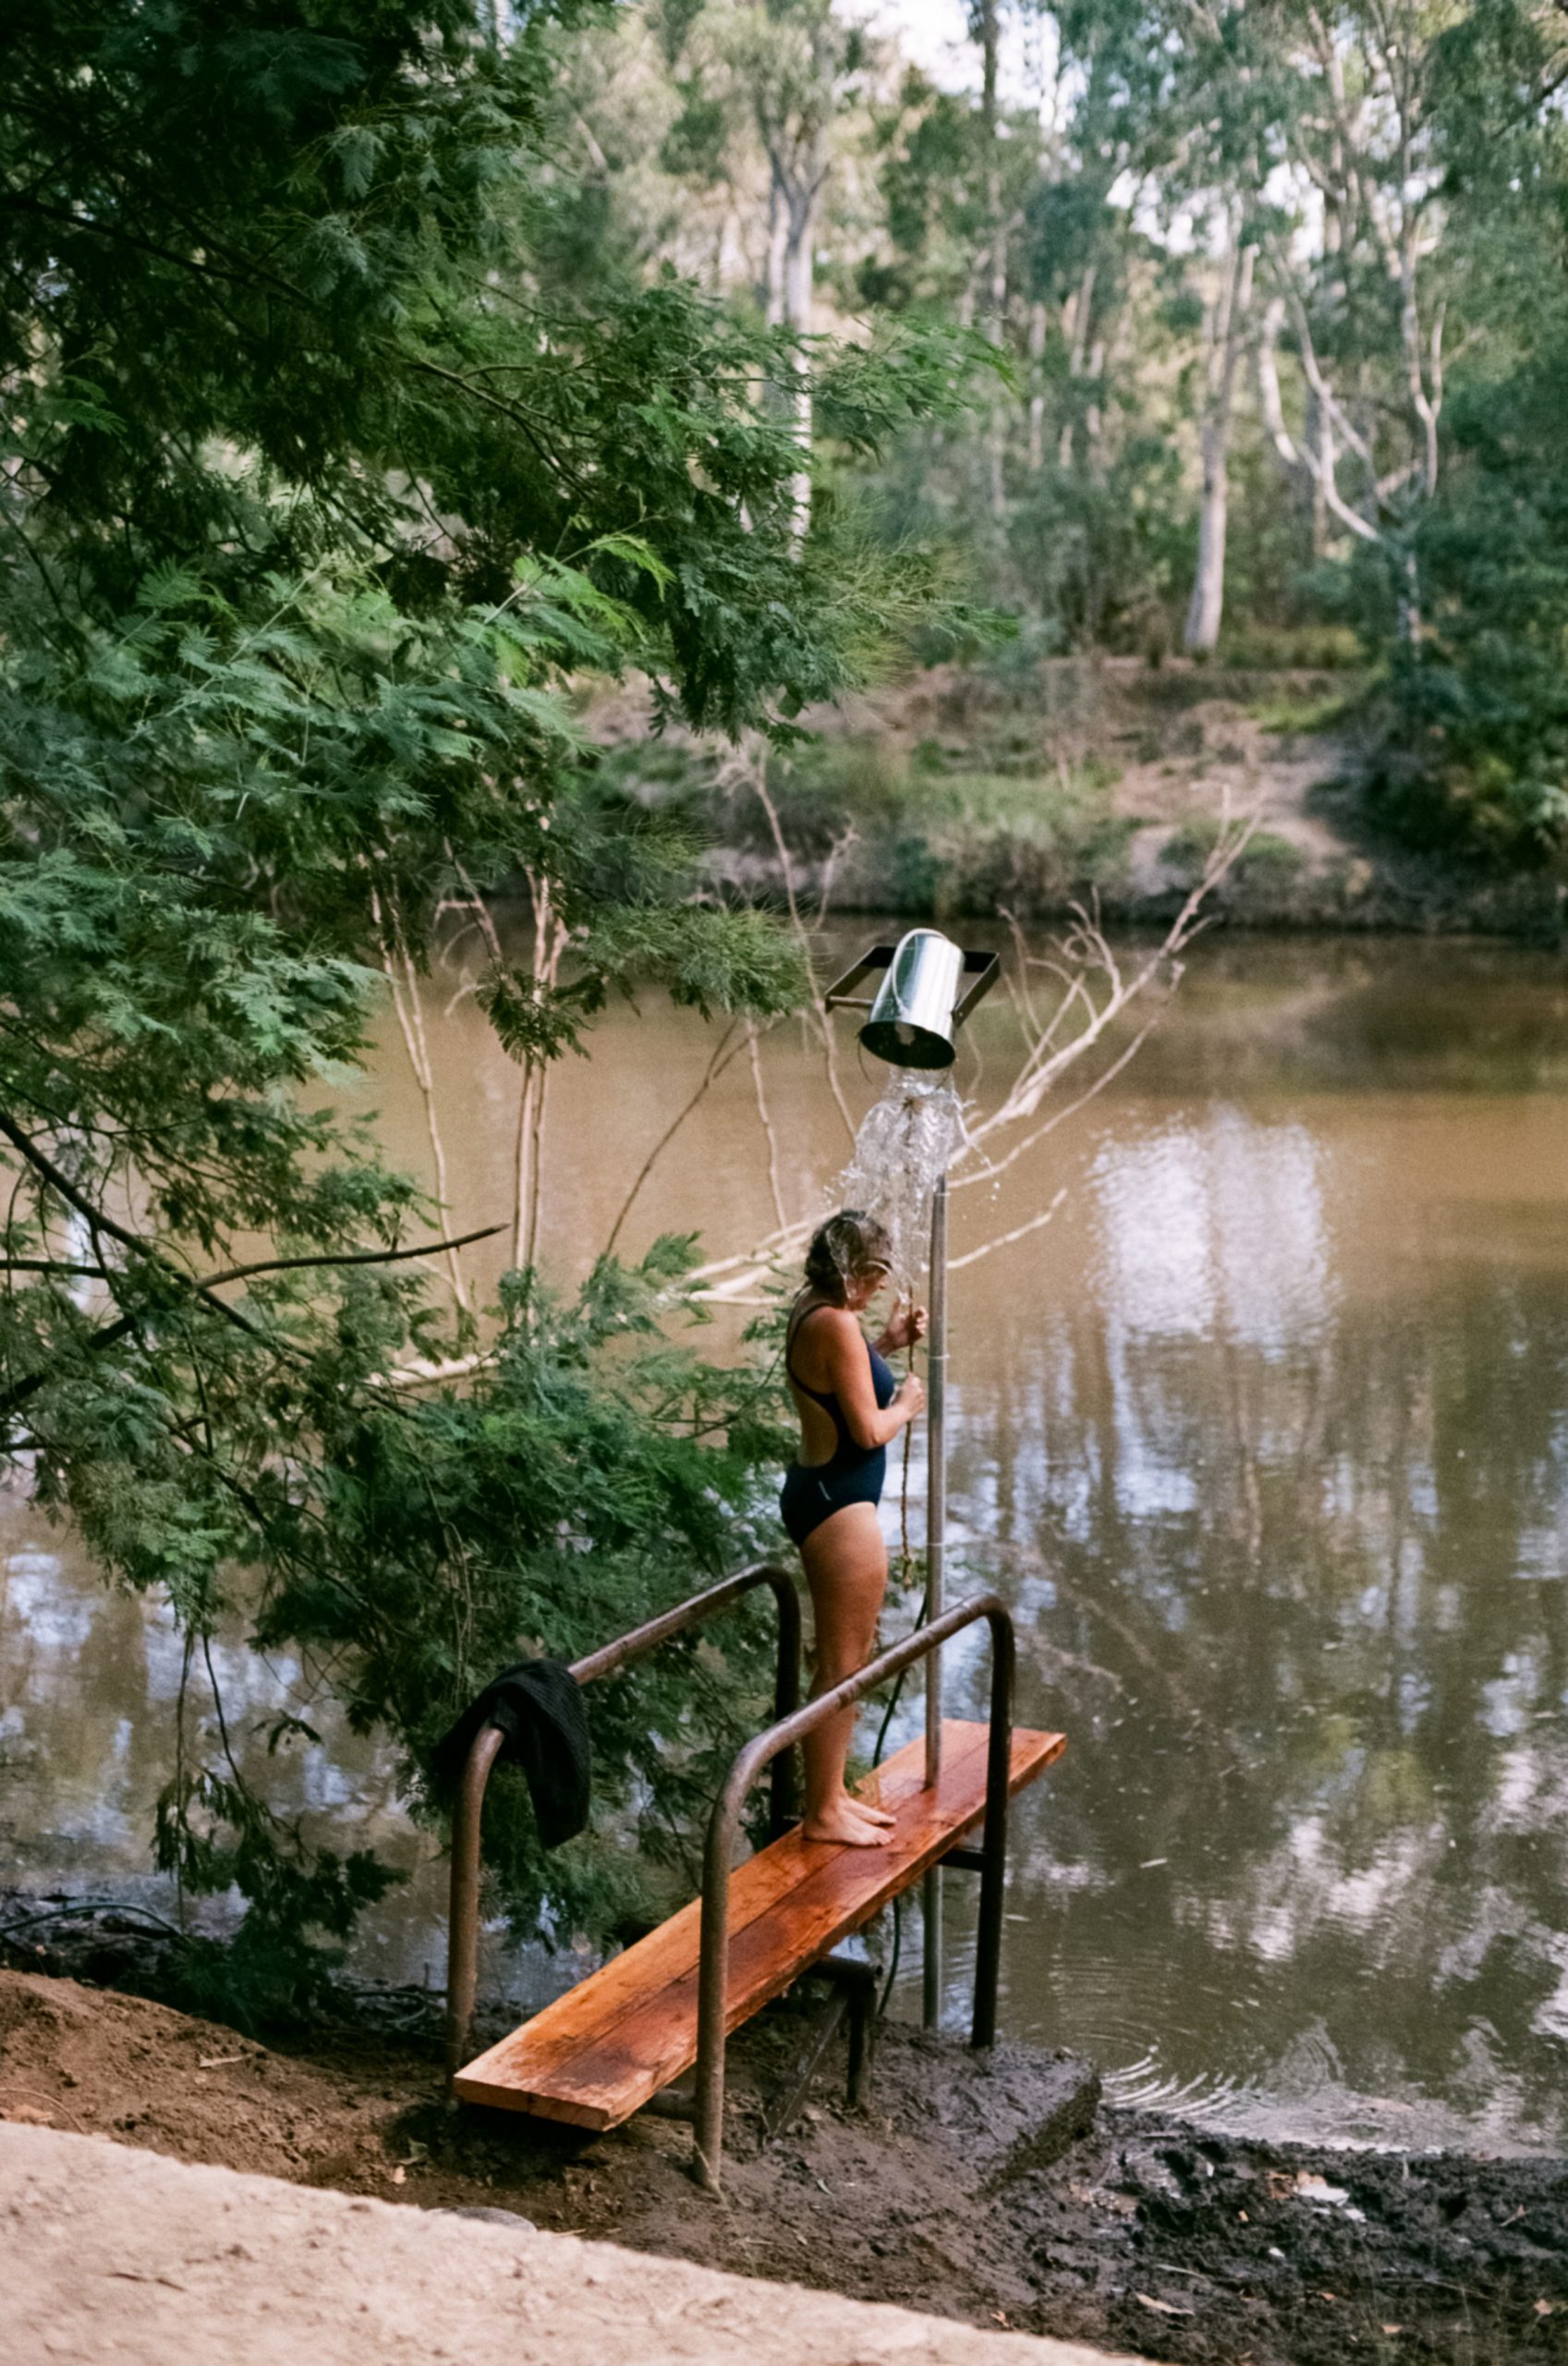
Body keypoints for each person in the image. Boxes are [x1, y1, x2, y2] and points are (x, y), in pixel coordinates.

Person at [780, 1210, 927, 1847]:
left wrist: (888, 1345)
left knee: (846, 1658)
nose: (874, 1292)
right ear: (856, 1273)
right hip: (838, 1501)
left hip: (822, 1489)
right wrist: (905, 1408)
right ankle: (821, 1814)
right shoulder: (837, 1322)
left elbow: (840, 1379)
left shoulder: (813, 1308)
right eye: (873, 1278)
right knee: (842, 1662)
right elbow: (867, 1428)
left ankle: (831, 1795)